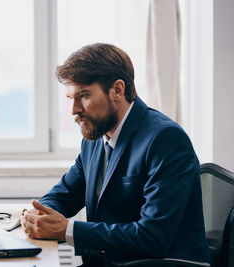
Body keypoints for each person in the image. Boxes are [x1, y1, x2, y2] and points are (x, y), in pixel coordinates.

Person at [20, 43, 212, 266]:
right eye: (70, 98)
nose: (74, 109)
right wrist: (40, 215)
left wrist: (67, 230)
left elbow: (153, 237)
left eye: (83, 96)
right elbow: (65, 194)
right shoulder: (94, 138)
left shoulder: (165, 139)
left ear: (118, 90)